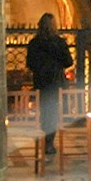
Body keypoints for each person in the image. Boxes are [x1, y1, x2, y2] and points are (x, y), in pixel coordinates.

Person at [26, 13, 73, 155]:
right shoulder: (59, 42)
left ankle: (45, 138)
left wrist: (41, 68)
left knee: (44, 111)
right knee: (53, 112)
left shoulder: (34, 43)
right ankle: (49, 142)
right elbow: (68, 62)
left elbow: (30, 63)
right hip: (55, 82)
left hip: (41, 82)